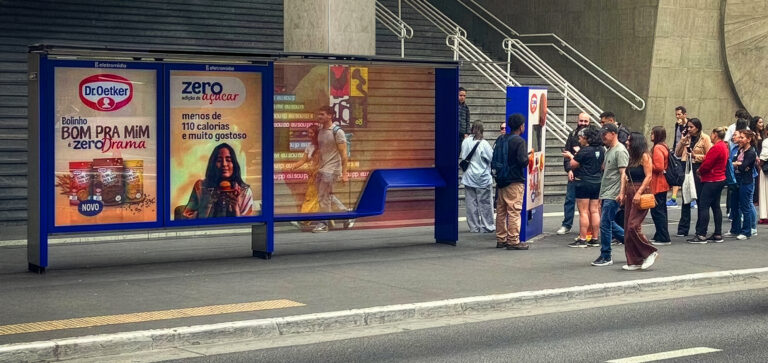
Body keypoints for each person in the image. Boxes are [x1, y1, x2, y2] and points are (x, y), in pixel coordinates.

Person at [181, 143, 254, 218]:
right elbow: (186, 217)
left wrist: (236, 210)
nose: (224, 164)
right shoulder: (200, 187)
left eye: (228, 160)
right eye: (219, 160)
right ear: (213, 164)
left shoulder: (244, 192)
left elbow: (247, 224)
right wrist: (207, 204)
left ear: (234, 164)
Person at [620, 132, 658, 270]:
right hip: (631, 190)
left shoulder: (644, 156)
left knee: (633, 226)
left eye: (630, 140)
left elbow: (648, 177)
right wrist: (622, 193)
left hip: (640, 191)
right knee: (627, 228)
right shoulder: (631, 157)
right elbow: (625, 177)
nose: (627, 142)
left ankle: (650, 251)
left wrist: (639, 192)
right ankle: (634, 260)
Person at [591, 123, 628, 267]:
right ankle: (633, 244)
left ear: (613, 133)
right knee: (609, 223)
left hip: (614, 193)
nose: (602, 137)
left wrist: (621, 193)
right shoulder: (609, 150)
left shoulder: (620, 151)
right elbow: (607, 174)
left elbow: (623, 174)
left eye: (605, 134)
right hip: (607, 192)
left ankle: (606, 255)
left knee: (606, 223)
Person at [312, 106, 353, 233]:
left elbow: (344, 154)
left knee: (323, 196)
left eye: (322, 114)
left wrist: (344, 173)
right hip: (323, 168)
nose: (319, 116)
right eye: (319, 114)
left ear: (330, 116)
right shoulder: (320, 130)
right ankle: (347, 215)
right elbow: (321, 151)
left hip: (332, 170)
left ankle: (323, 223)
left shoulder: (337, 132)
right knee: (326, 195)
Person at [562, 125, 603, 248]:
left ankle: (583, 238)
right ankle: (595, 238)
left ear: (586, 138)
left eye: (580, 137)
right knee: (595, 210)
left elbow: (573, 164)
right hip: (597, 181)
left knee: (583, 211)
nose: (579, 140)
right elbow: (602, 166)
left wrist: (570, 156)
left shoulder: (584, 151)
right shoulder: (601, 149)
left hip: (584, 181)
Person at [688, 127, 729, 243]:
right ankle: (717, 233)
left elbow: (707, 164)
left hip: (712, 179)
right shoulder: (724, 146)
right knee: (715, 206)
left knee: (704, 205)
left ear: (715, 134)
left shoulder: (716, 147)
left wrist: (700, 171)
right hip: (720, 178)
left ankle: (701, 234)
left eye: (712, 133)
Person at [496, 114, 530, 250]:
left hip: (501, 180)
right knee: (514, 211)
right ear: (521, 126)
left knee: (501, 211)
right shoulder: (519, 141)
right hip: (514, 180)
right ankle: (513, 240)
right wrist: (529, 157)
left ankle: (501, 238)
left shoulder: (501, 139)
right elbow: (523, 162)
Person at [674, 118, 711, 237]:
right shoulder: (687, 138)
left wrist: (696, 156)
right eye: (688, 127)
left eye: (691, 127)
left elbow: (710, 155)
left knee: (700, 198)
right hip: (686, 166)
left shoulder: (705, 138)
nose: (689, 129)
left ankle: (700, 228)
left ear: (698, 128)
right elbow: (677, 153)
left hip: (698, 168)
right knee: (686, 197)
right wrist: (682, 141)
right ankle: (683, 228)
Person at [557, 113, 591, 235]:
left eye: (585, 121)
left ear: (589, 122)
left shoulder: (594, 136)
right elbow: (566, 154)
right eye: (581, 121)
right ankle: (567, 224)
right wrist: (569, 170)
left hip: (588, 175)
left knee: (589, 204)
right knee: (569, 199)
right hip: (574, 173)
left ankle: (588, 228)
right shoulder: (572, 135)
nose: (583, 123)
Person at [461, 121, 495, 233]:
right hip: (482, 178)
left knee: (471, 204)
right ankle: (487, 226)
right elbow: (491, 158)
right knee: (485, 203)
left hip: (468, 177)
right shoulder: (484, 144)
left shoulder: (465, 142)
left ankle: (474, 227)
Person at [730, 130, 758, 240]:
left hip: (746, 182)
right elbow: (734, 161)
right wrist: (736, 164)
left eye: (742, 138)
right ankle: (735, 229)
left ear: (748, 139)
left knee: (745, 206)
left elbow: (744, 167)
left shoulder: (751, 152)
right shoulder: (740, 150)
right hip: (737, 179)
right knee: (735, 206)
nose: (739, 140)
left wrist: (737, 164)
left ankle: (747, 231)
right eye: (739, 137)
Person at [649, 126, 671, 245]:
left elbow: (659, 166)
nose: (651, 136)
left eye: (652, 134)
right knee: (661, 210)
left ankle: (663, 236)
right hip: (663, 182)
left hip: (658, 183)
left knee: (658, 211)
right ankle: (659, 234)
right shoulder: (664, 146)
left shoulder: (657, 148)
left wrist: (647, 164)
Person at [667, 106, 688, 207]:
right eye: (676, 114)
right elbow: (676, 137)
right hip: (677, 152)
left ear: (684, 114)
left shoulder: (689, 125)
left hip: (685, 154)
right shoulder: (677, 125)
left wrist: (682, 126)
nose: (677, 116)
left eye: (679, 114)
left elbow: (686, 137)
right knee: (676, 174)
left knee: (685, 176)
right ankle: (673, 198)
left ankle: (690, 198)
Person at [758, 124, 768, 224]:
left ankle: (765, 215)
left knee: (765, 191)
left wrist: (760, 164)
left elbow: (764, 155)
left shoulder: (766, 141)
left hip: (766, 169)